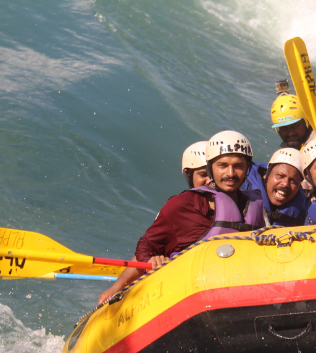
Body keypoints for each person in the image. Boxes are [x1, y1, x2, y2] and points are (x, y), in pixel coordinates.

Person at [98, 130, 264, 304]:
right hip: (189, 295)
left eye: (238, 166)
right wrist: (149, 261)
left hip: (236, 292)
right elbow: (147, 244)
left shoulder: (255, 204)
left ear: (247, 169)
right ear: (210, 167)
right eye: (222, 165)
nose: (230, 173)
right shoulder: (184, 204)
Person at [260, 148, 307, 226]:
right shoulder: (243, 197)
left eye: (293, 181)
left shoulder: (303, 215)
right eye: (280, 176)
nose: (285, 184)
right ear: (266, 174)